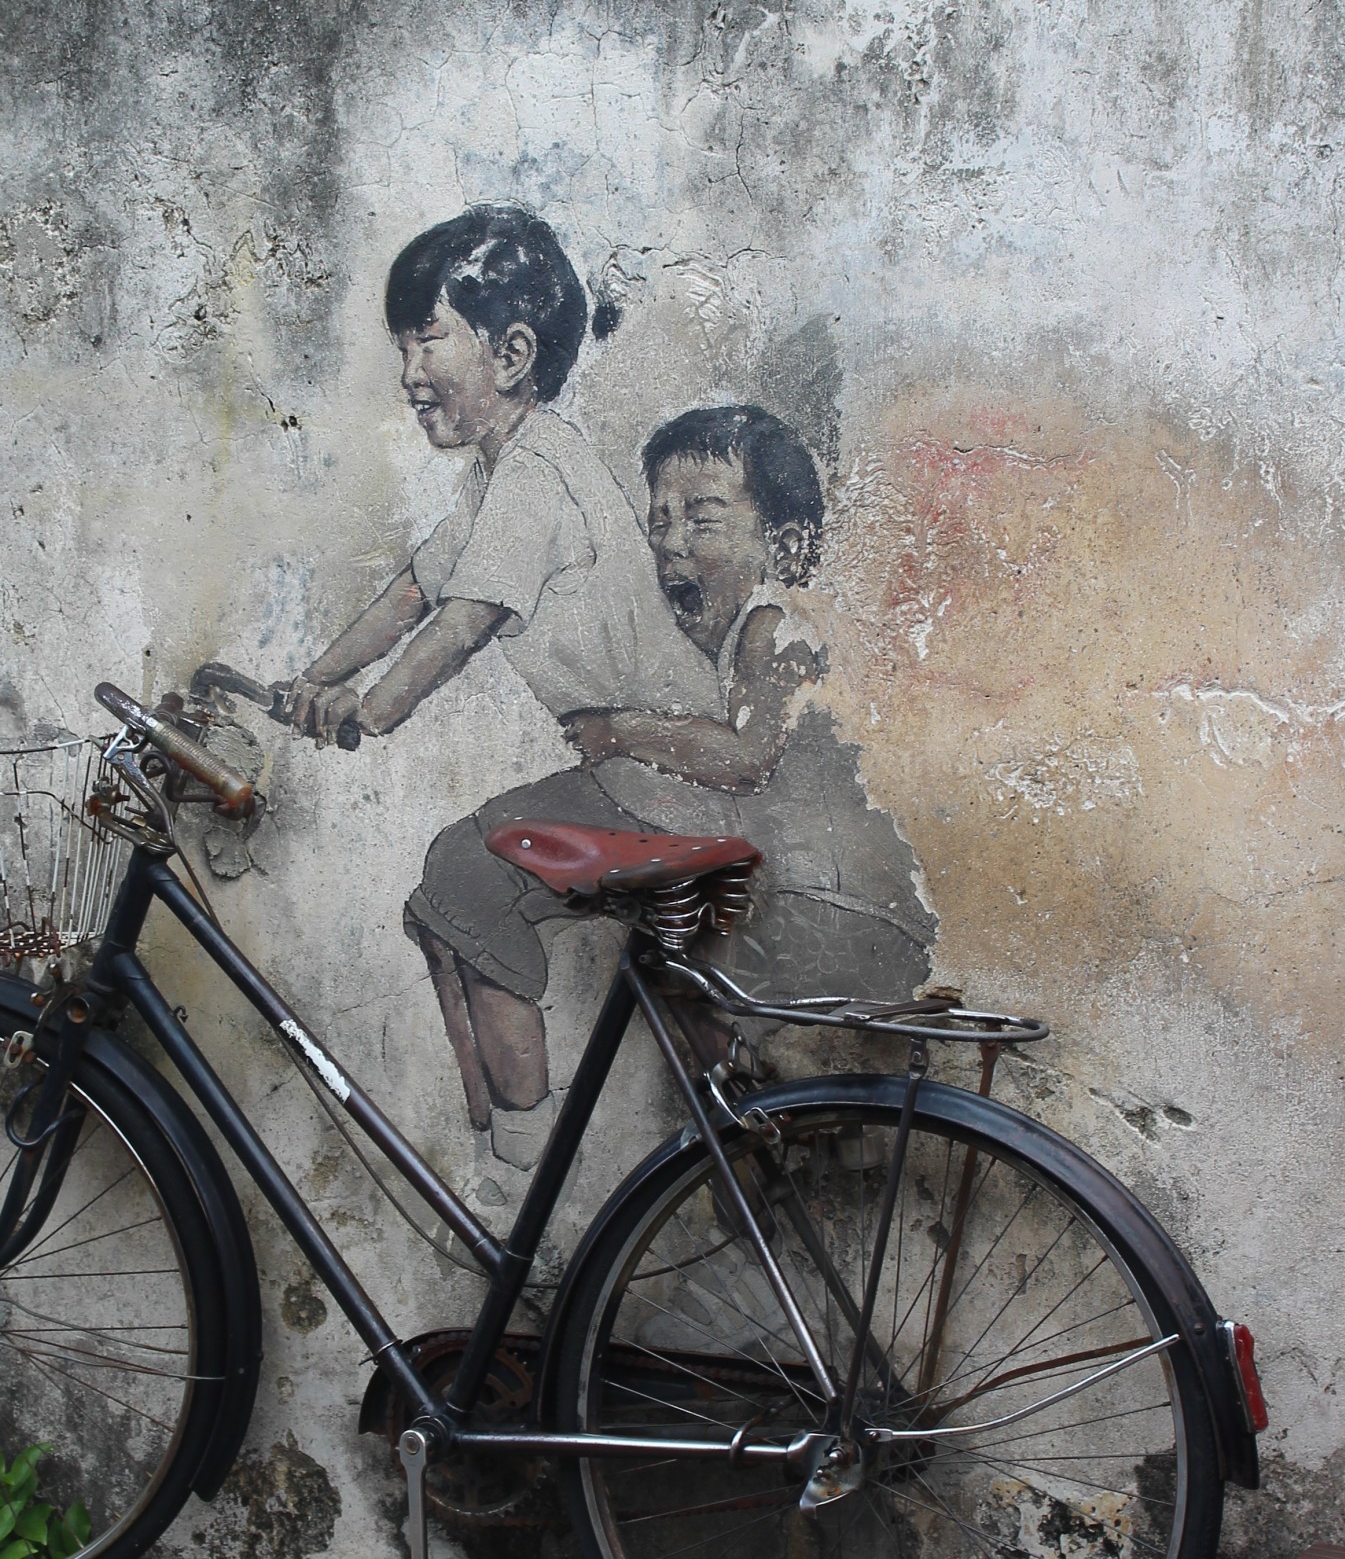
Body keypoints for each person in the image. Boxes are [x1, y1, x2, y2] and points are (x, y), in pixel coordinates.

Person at [283, 206, 719, 1168]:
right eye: (400, 347)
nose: (408, 375)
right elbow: (413, 591)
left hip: (665, 772)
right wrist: (311, 679)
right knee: (455, 884)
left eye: (427, 340)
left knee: (466, 874)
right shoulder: (496, 480)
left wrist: (373, 708)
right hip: (635, 772)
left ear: (513, 353)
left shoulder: (539, 475)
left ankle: (528, 1172)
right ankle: (519, 1150)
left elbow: (463, 623)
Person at [561, 403, 935, 1003]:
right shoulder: (790, 626)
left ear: (784, 547)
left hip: (833, 912)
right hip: (843, 910)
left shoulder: (774, 622)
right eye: (659, 520)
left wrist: (618, 731)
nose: (670, 543)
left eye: (703, 521)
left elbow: (746, 760)